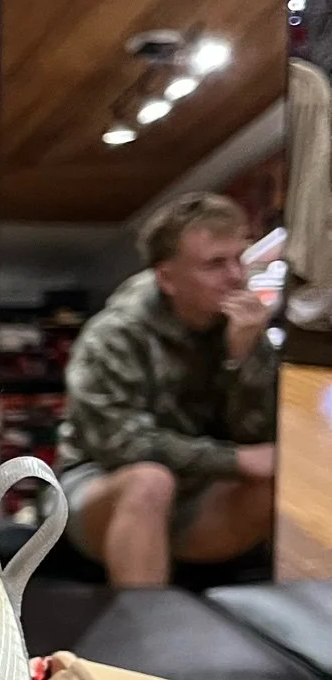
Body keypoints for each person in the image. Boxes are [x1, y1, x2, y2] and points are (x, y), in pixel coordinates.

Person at [58, 191, 277, 587]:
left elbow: (260, 438)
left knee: (287, 484)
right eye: (215, 264)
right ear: (167, 278)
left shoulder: (241, 326)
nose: (235, 276)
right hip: (102, 485)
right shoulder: (115, 334)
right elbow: (120, 444)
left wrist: (241, 359)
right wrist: (235, 460)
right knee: (150, 482)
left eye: (238, 259)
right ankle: (144, 625)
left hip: (199, 495)